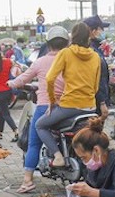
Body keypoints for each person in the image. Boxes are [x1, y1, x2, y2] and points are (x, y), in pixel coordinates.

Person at [9, 25, 68, 193]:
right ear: (67, 44)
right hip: (70, 106)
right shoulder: (70, 60)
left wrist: (12, 83)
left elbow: (23, 78)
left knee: (34, 143)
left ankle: (27, 180)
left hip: (45, 107)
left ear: (48, 44)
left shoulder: (40, 62)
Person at [37, 22, 101, 168]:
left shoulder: (65, 53)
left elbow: (50, 78)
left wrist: (52, 101)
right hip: (90, 107)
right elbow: (96, 85)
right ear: (88, 37)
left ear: (72, 37)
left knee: (40, 125)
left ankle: (58, 157)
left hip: (69, 106)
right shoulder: (95, 56)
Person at [83, 15, 111, 117]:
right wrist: (102, 102)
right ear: (93, 31)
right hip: (95, 99)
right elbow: (96, 78)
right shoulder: (90, 50)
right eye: (100, 29)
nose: (101, 32)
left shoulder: (95, 47)